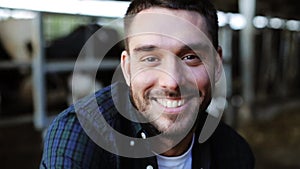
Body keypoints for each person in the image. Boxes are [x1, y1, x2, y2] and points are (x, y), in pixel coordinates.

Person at [40, 0, 255, 168]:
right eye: (150, 59)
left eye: (191, 57)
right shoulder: (81, 136)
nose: (171, 82)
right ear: (127, 68)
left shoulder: (234, 153)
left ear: (217, 65)